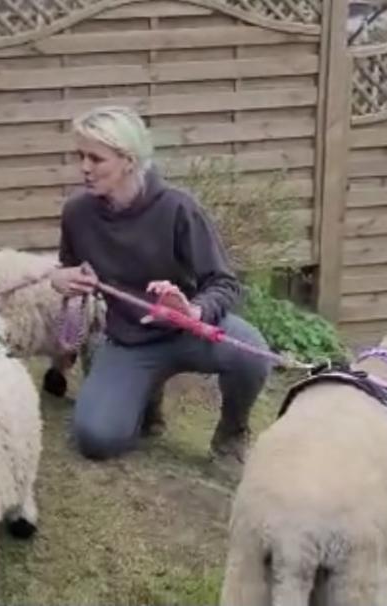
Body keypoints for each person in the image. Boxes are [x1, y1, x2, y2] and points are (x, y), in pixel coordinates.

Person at [49, 105, 273, 472]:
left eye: (96, 158)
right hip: (127, 340)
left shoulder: (178, 208)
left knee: (252, 352)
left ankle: (231, 435)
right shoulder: (77, 213)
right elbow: (69, 269)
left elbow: (225, 284)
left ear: (128, 161)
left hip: (187, 332)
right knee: (96, 439)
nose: (84, 168)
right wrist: (61, 279)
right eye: (80, 156)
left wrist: (195, 311)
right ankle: (144, 401)